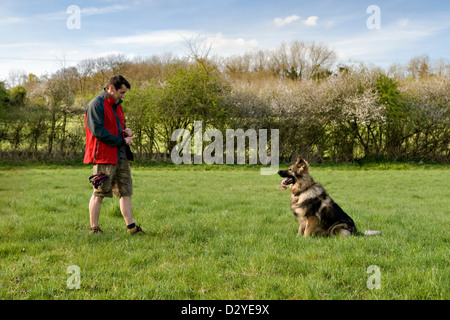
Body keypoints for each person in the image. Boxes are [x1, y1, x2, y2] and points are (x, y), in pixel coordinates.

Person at [84, 75, 145, 235]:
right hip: (103, 158)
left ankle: (131, 228)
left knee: (126, 192)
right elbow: (99, 132)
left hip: (121, 156)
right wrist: (121, 140)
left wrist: (126, 131)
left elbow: (118, 127)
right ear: (111, 88)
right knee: (99, 193)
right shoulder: (96, 105)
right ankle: (94, 228)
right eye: (122, 92)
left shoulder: (117, 105)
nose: (123, 96)